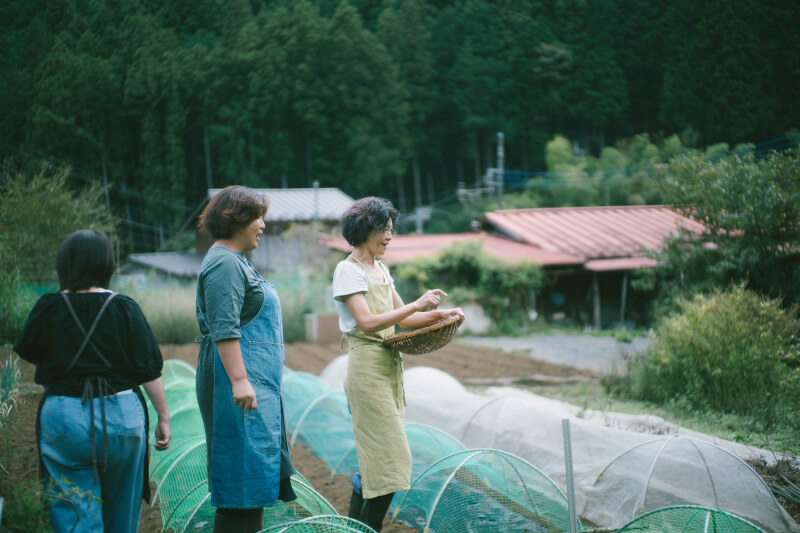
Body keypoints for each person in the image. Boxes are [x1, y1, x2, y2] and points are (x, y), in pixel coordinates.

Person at [13, 229, 171, 533]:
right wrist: (163, 416)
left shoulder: (48, 306)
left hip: (64, 415)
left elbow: (28, 352)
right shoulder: (125, 307)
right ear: (107, 265)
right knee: (122, 511)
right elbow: (149, 369)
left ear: (65, 265)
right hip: (123, 415)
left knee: (73, 511)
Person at [332, 197, 465, 531]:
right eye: (383, 230)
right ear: (364, 229)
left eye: (391, 230)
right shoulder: (348, 270)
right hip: (366, 369)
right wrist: (418, 304)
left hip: (388, 370)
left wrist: (440, 314)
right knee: (391, 459)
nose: (389, 237)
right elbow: (367, 322)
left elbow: (408, 318)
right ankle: (367, 528)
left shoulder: (381, 269)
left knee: (378, 459)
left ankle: (355, 527)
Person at [194, 185, 296, 533]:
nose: (263, 225)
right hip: (238, 385)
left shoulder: (236, 261)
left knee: (252, 485)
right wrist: (240, 380)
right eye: (257, 217)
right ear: (234, 219)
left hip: (254, 386)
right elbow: (225, 327)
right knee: (239, 484)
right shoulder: (223, 262)